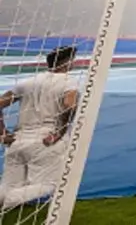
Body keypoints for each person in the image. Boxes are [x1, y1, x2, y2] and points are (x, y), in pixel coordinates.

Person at [0, 45, 80, 208]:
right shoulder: (68, 83)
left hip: (17, 141)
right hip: (45, 141)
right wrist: (59, 132)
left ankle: (6, 198)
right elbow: (69, 106)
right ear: (68, 62)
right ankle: (9, 199)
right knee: (50, 184)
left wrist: (2, 134)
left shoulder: (28, 82)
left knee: (8, 186)